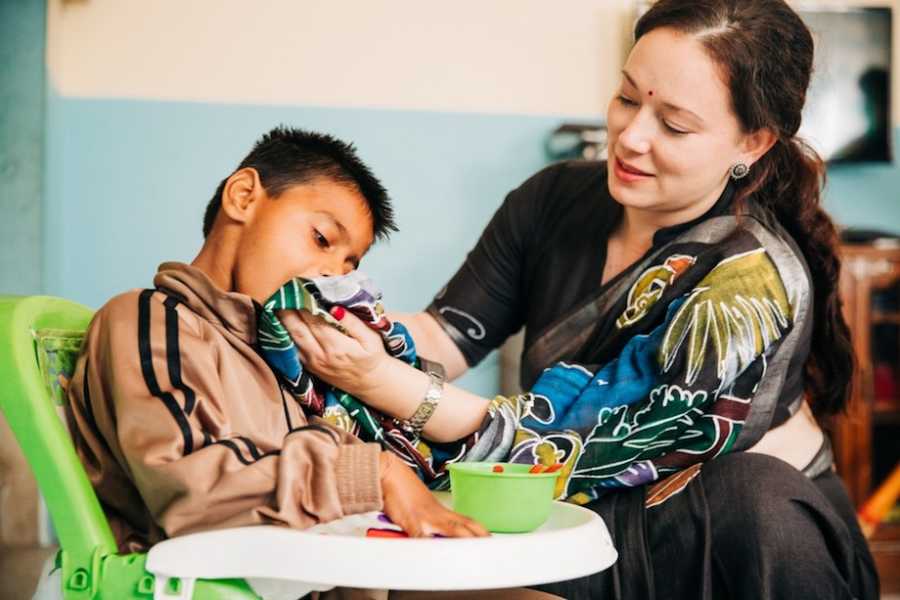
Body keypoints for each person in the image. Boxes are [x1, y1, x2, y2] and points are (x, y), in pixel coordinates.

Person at [280, 1, 881, 598]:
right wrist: (335, 320)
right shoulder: (551, 200)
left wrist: (377, 378)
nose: (631, 137)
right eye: (626, 98)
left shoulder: (748, 280)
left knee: (751, 496)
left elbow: (574, 441)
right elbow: (442, 336)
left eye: (673, 124)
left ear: (752, 141)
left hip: (733, 537)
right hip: (587, 515)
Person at [58, 127, 563, 599]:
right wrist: (380, 473)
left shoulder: (280, 359)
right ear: (243, 196)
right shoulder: (151, 320)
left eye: (348, 266)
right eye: (322, 239)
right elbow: (195, 491)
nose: (328, 274)